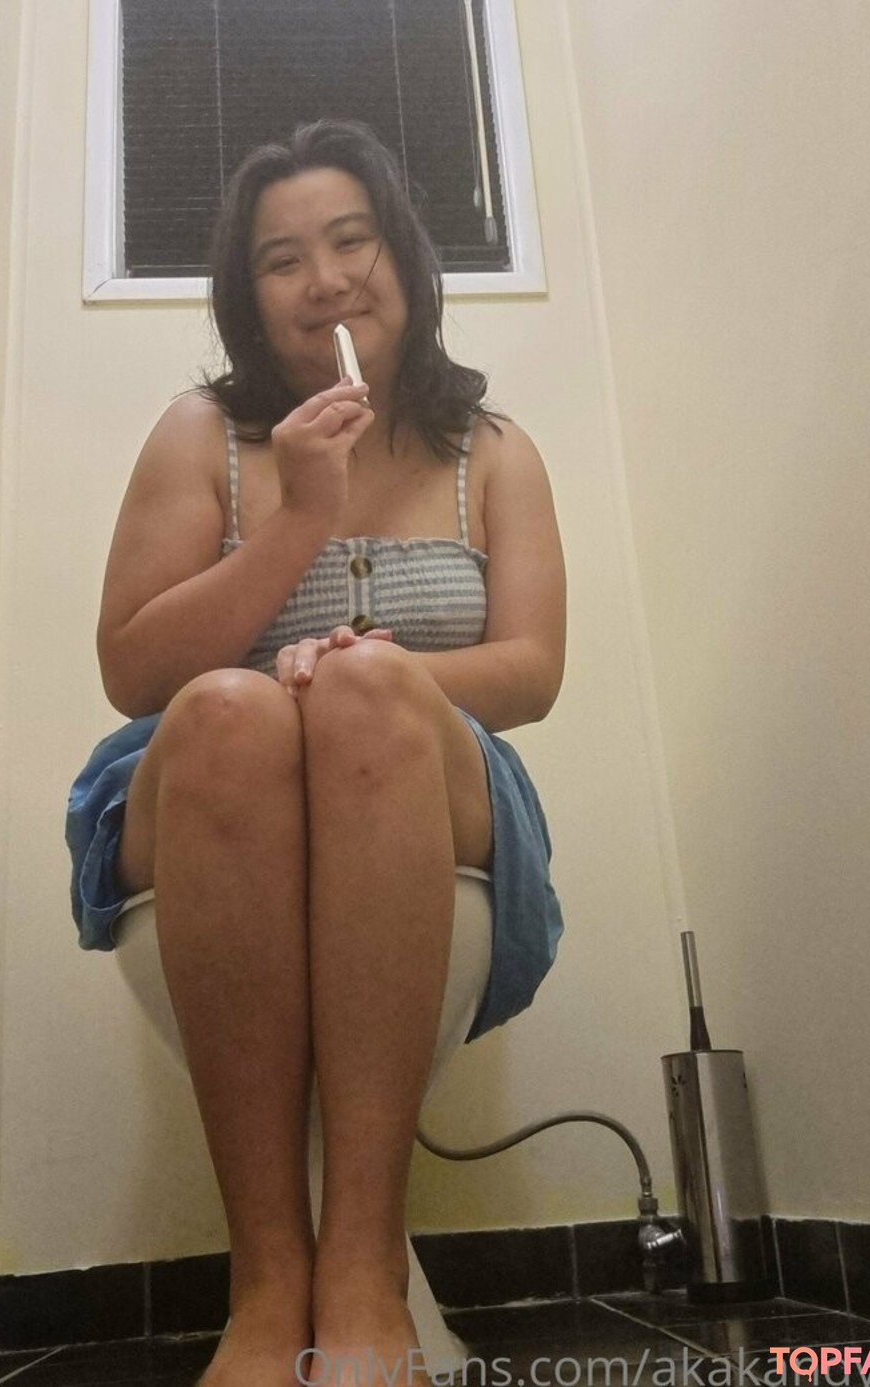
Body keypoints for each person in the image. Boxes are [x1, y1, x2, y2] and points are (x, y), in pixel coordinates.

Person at [65, 119, 566, 1387]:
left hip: (424, 777)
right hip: (210, 780)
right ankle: (266, 1278)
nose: (326, 278)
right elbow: (133, 670)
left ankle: (361, 1264)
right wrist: (298, 519)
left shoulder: (494, 451)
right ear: (249, 296)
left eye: (353, 240)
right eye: (283, 259)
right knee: (231, 712)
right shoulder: (200, 434)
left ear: (403, 255)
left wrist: (359, 673)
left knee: (366, 694)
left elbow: (530, 671)